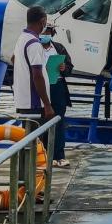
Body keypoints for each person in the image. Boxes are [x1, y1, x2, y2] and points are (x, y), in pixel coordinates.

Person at [11, 5, 55, 122]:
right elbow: (37, 76)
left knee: (29, 137)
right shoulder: (34, 43)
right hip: (34, 104)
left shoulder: (22, 38)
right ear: (43, 21)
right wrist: (47, 104)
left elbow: (13, 59)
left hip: (23, 101)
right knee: (38, 139)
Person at [40, 24, 72, 168]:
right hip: (41, 86)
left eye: (47, 32)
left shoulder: (58, 47)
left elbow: (70, 67)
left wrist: (64, 68)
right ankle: (42, 155)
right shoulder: (34, 47)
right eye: (43, 31)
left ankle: (59, 156)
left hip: (57, 85)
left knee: (58, 120)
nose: (45, 34)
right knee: (41, 120)